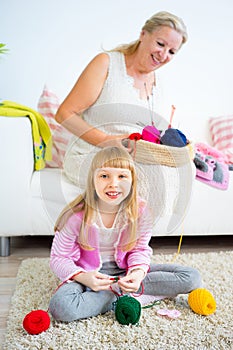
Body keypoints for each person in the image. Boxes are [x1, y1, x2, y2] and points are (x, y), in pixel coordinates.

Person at [55, 11, 193, 231]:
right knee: (139, 178)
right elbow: (64, 114)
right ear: (143, 34)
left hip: (131, 157)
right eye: (160, 43)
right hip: (91, 153)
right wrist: (108, 141)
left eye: (172, 51)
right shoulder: (107, 64)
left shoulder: (158, 84)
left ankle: (136, 247)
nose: (163, 54)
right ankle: (122, 249)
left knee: (175, 173)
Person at [49, 146, 202, 322]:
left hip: (125, 271)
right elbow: (58, 258)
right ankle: (125, 295)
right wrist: (84, 277)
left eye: (122, 176)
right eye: (104, 176)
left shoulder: (141, 211)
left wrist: (137, 274)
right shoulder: (76, 216)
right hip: (88, 276)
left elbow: (140, 250)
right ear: (93, 180)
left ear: (132, 181)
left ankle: (119, 293)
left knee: (192, 278)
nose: (113, 183)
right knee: (61, 307)